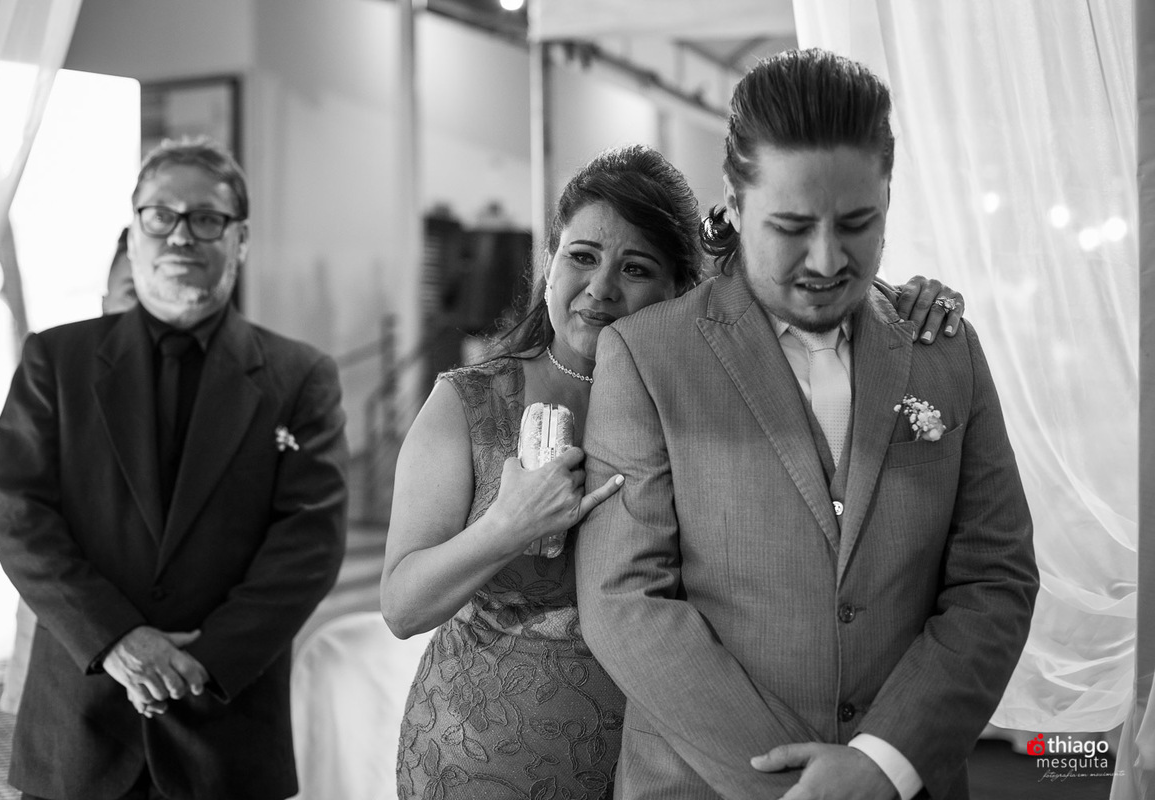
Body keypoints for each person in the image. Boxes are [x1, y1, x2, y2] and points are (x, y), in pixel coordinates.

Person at [381, 144, 967, 799]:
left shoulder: (699, 399)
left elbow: (791, 284)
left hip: (672, 762)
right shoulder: (470, 402)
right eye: (581, 257)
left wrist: (905, 299)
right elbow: (403, 606)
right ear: (549, 262)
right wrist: (507, 526)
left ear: (678, 291)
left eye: (635, 268)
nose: (601, 289)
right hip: (489, 757)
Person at [576, 48, 1039, 800]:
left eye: (858, 223)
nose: (826, 260)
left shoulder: (947, 351)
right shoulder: (649, 354)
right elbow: (624, 598)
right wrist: (799, 789)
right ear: (734, 201)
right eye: (791, 226)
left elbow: (996, 576)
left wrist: (884, 763)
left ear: (889, 195)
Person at [0, 136, 349, 800]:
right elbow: (20, 521)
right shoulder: (55, 363)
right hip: (80, 722)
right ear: (133, 233)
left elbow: (309, 544)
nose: (181, 235)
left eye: (207, 219)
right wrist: (120, 641)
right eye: (161, 215)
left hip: (225, 722)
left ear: (240, 240)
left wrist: (199, 664)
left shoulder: (300, 377)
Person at [0, 226, 141, 716]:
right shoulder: (59, 374)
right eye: (130, 293)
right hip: (72, 626)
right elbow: (21, 517)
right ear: (105, 300)